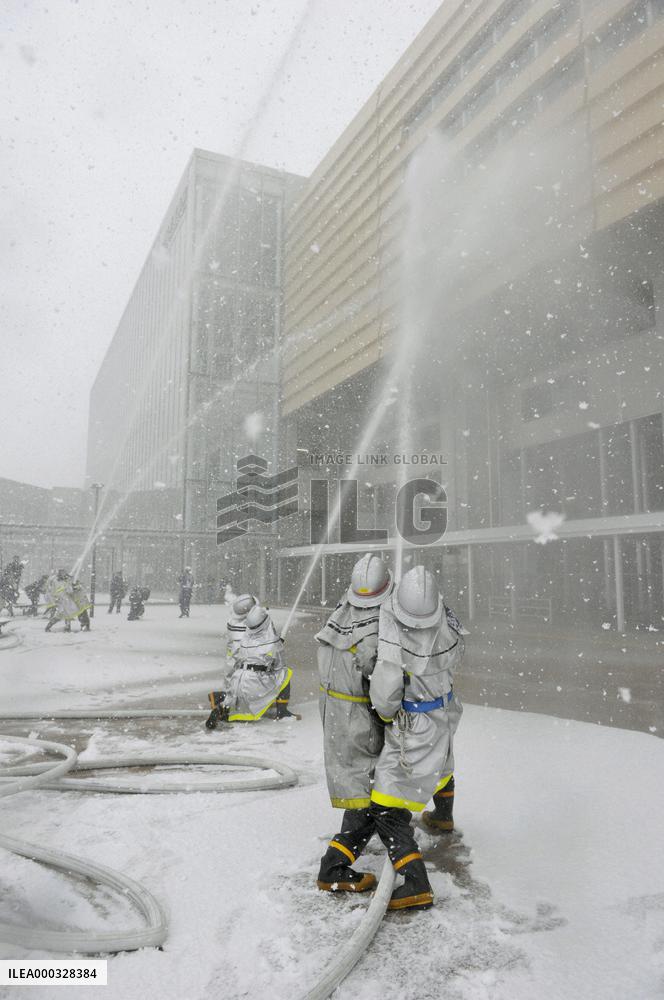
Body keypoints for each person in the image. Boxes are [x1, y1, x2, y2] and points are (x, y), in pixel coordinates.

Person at [368, 565, 464, 911]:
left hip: (413, 722)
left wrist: (385, 714)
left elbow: (385, 694)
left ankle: (415, 882)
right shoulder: (447, 627)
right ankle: (443, 816)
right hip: (445, 710)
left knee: (385, 802)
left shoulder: (394, 639)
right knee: (442, 762)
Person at [316, 553, 394, 895]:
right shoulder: (375, 631)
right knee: (368, 788)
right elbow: (382, 689)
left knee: (354, 777)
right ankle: (333, 867)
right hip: (357, 713)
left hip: (334, 707)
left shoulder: (342, 611)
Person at [208, 605, 293, 725]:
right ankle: (282, 712)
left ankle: (223, 706)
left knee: (238, 698)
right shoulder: (274, 642)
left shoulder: (245, 640)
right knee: (285, 674)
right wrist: (278, 647)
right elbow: (278, 666)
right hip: (253, 684)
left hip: (238, 680)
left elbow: (239, 660)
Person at [206, 592, 256, 729]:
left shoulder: (234, 621)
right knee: (238, 689)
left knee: (232, 685)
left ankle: (219, 699)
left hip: (232, 660)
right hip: (237, 661)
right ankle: (222, 708)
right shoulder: (243, 627)